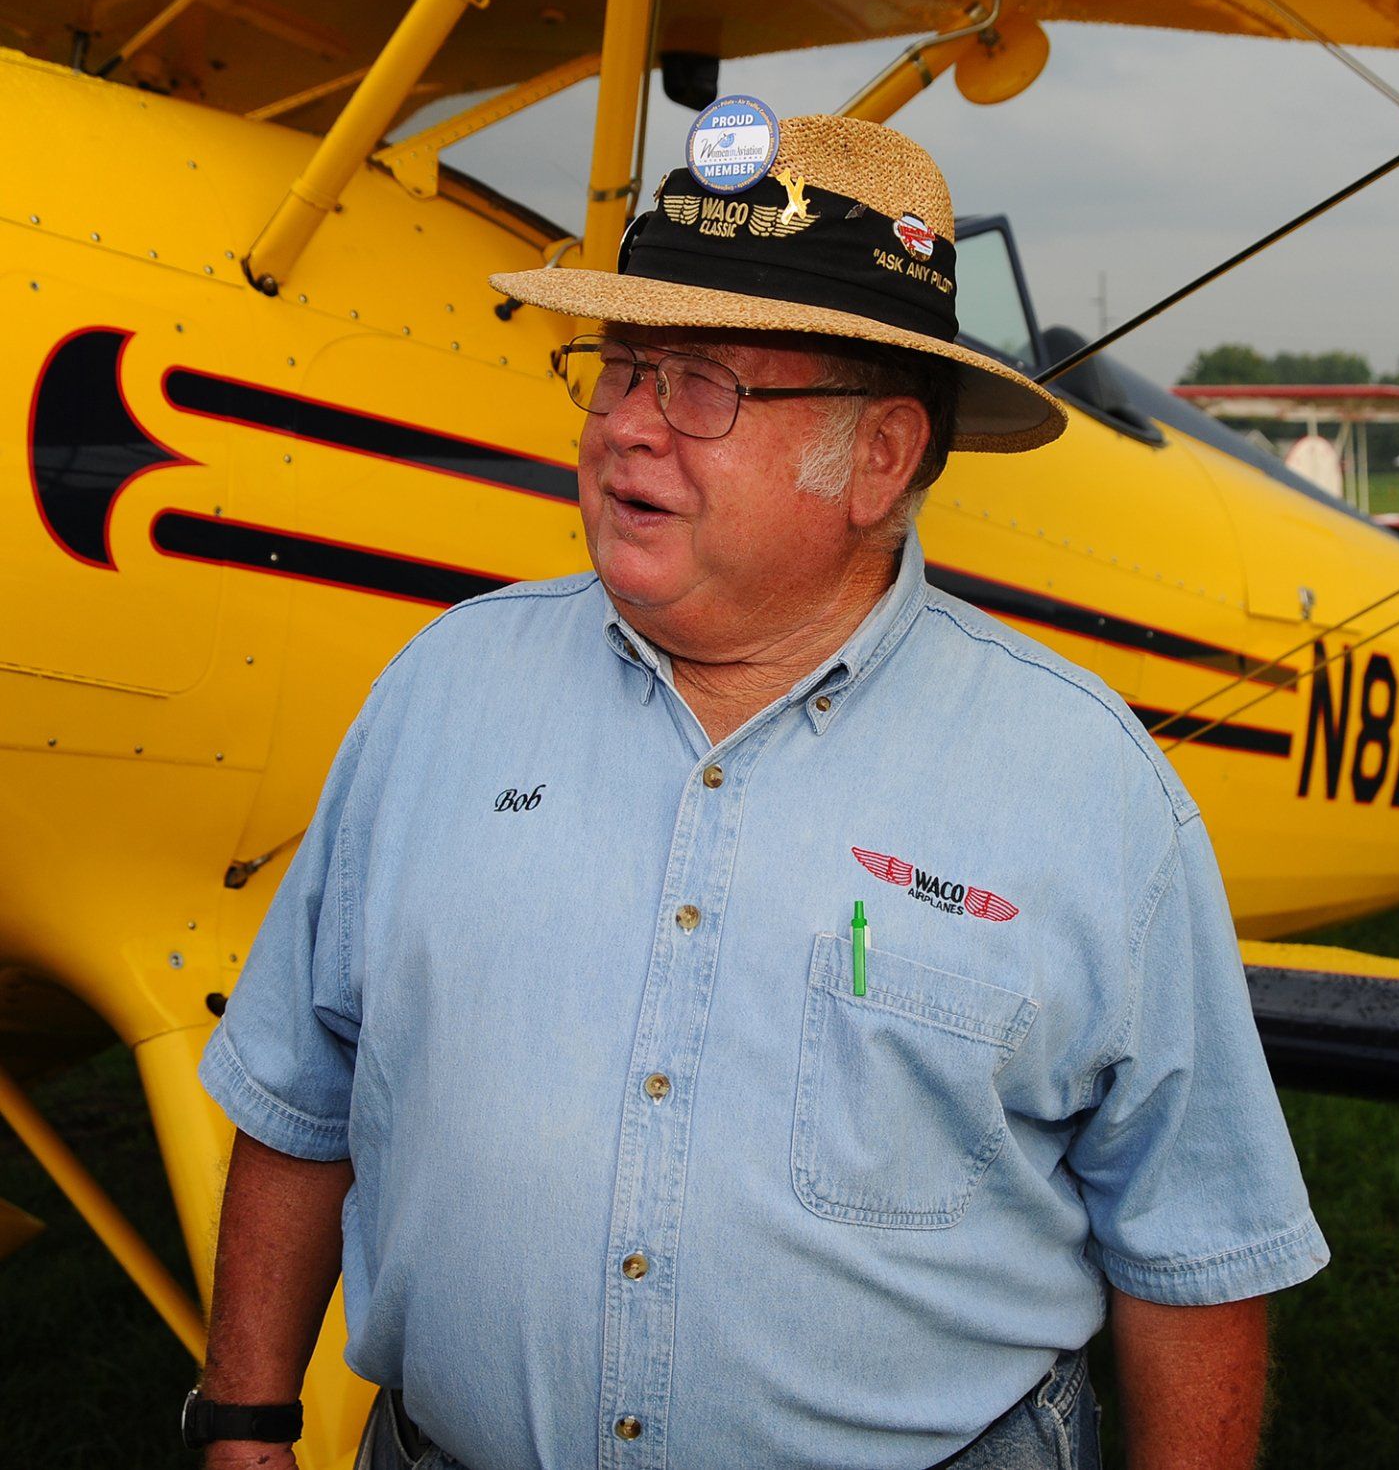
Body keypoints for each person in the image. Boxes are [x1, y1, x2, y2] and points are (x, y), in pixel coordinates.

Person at [189, 107, 1327, 1470]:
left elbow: (1193, 1246)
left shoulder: (1092, 787)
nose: (629, 431)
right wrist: (249, 1421)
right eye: (619, 369)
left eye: (705, 384)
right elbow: (301, 1093)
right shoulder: (437, 690)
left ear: (882, 458)